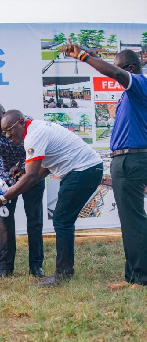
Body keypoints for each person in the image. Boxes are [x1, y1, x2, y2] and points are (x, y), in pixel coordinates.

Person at [0, 110, 103, 287]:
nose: (8, 136)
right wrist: (25, 176)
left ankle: (64, 273)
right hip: (85, 170)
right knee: (64, 219)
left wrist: (3, 199)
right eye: (5, 133)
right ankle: (65, 270)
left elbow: (32, 176)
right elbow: (45, 169)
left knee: (62, 219)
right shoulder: (35, 130)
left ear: (21, 121)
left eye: (10, 130)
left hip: (83, 171)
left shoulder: (33, 135)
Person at [65, 42, 147, 289]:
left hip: (131, 160)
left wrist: (83, 56)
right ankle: (132, 276)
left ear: (131, 68)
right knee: (130, 218)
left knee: (133, 219)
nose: (114, 74)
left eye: (120, 69)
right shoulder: (132, 94)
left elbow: (116, 73)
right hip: (127, 159)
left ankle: (141, 278)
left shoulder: (139, 84)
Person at [0, 102, 45, 279]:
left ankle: (36, 266)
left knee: (34, 219)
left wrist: (24, 170)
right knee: (5, 220)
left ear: (4, 115)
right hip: (6, 180)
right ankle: (4, 268)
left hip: (32, 174)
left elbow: (37, 154)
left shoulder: (26, 125)